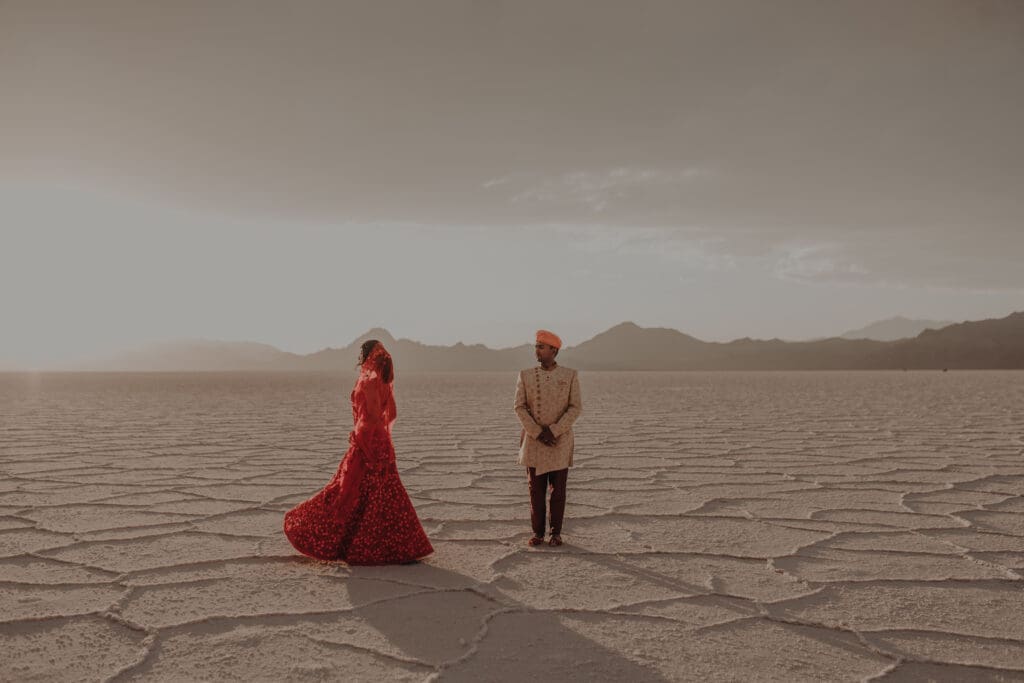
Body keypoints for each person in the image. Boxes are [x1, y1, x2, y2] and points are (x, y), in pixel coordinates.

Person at [283, 340, 433, 565]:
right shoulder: (383, 381)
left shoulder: (368, 381)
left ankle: (347, 543)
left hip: (368, 443)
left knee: (348, 491)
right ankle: (401, 547)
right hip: (382, 443)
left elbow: (370, 418)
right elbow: (389, 414)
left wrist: (359, 440)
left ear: (365, 356)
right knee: (386, 496)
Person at [514, 330, 583, 547]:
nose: (537, 350)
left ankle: (556, 533)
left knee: (558, 490)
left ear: (554, 350)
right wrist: (537, 432)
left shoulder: (569, 375)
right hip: (534, 441)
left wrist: (553, 431)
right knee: (535, 489)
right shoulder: (525, 375)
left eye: (541, 347)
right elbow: (519, 407)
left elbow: (575, 407)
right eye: (536, 346)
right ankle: (538, 533)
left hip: (559, 441)